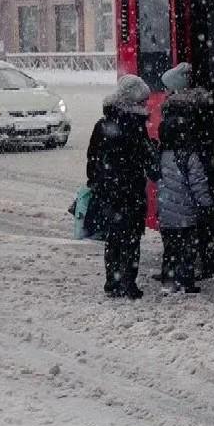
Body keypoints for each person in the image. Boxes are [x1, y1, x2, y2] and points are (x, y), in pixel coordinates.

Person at [86, 74, 158, 299]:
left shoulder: (103, 124)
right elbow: (147, 159)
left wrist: (96, 183)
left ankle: (112, 281)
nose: (146, 105)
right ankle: (128, 283)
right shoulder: (135, 126)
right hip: (130, 191)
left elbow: (93, 158)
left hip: (109, 192)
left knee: (114, 237)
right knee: (130, 239)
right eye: (143, 101)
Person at [154, 62, 214, 282]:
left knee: (176, 236)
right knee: (193, 228)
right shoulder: (198, 105)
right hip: (200, 163)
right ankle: (193, 269)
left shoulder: (174, 110)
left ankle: (173, 272)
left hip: (176, 199)